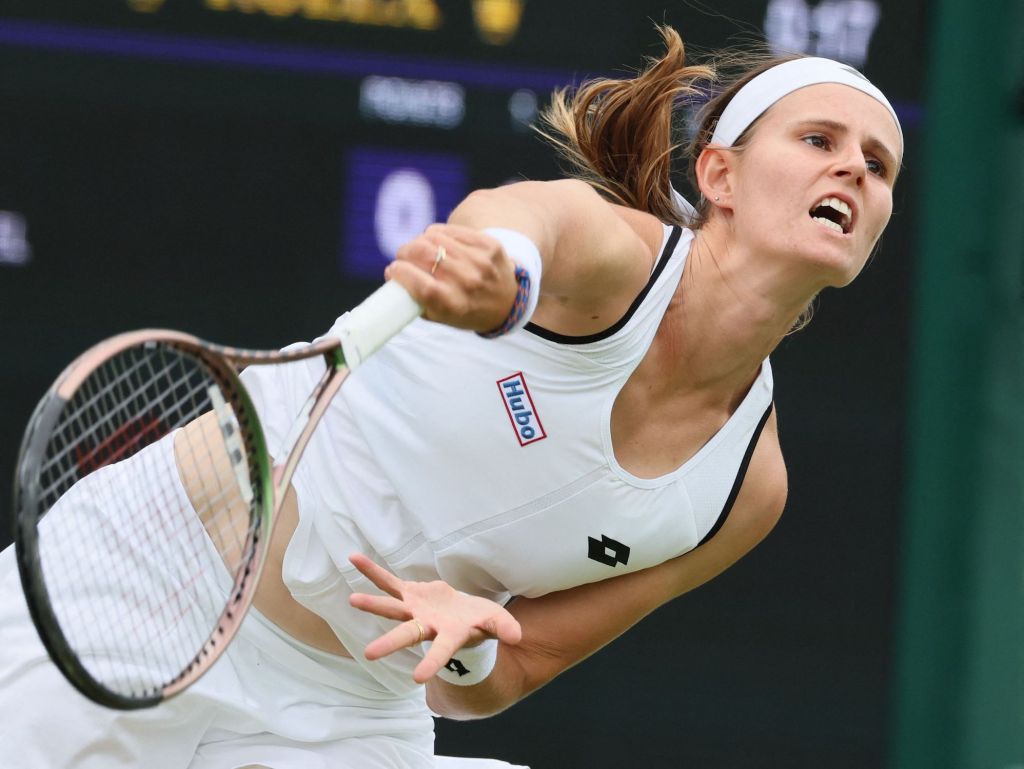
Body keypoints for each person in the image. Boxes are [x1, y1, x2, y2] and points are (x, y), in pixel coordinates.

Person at [0, 24, 902, 769]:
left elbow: (517, 664)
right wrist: (499, 281)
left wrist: (469, 634)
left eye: (880, 165)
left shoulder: (747, 488)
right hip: (142, 584)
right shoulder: (612, 254)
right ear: (720, 175)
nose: (855, 171)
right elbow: (504, 228)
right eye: (819, 141)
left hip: (347, 711)